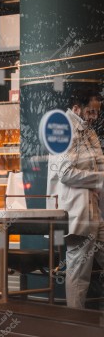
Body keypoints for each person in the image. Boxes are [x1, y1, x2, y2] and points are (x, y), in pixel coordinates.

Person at [47, 88, 104, 309]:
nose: (94, 117)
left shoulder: (89, 133)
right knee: (78, 272)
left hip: (94, 212)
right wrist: (99, 178)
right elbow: (66, 173)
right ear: (77, 108)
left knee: (80, 270)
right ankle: (74, 322)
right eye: (91, 112)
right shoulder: (62, 128)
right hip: (77, 212)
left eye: (97, 113)